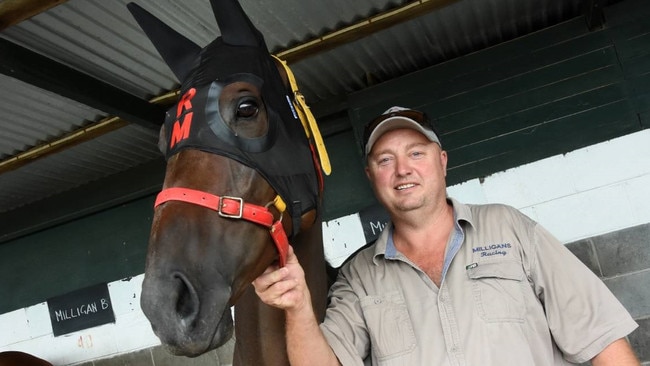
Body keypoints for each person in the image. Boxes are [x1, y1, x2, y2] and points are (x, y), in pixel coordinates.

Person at [253, 106, 640, 365]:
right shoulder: (360, 276)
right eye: (385, 160)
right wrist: (298, 306)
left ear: (442, 161)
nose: (403, 170)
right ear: (371, 178)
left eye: (416, 153)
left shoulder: (509, 228)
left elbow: (602, 336)